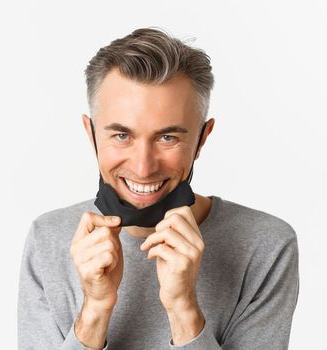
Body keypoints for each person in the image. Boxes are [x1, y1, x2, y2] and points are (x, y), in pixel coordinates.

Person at [17, 27, 300, 349]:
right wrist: (94, 311)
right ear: (91, 133)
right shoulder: (48, 237)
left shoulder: (265, 244)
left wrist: (183, 308)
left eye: (168, 138)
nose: (143, 167)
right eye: (122, 135)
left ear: (202, 138)